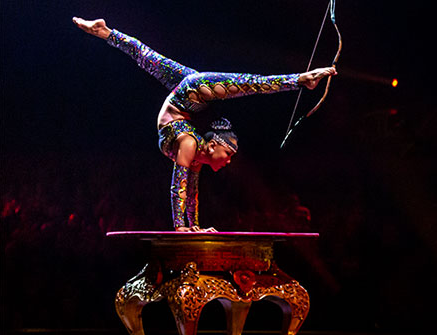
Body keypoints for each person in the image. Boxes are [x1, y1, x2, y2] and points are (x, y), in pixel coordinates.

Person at [73, 17, 336, 232]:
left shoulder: (193, 146)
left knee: (148, 58)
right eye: (229, 154)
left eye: (230, 155)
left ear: (211, 146)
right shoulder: (188, 142)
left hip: (189, 95)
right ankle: (301, 79)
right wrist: (180, 227)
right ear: (212, 145)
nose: (230, 161)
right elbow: (180, 185)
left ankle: (106, 32)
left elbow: (190, 191)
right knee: (247, 84)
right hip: (192, 93)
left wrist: (194, 226)